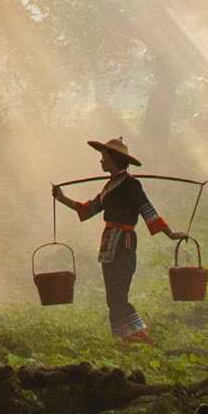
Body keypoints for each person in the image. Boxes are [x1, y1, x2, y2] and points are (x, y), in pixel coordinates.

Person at [52, 135, 172, 343]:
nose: (100, 160)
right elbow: (88, 209)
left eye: (104, 156)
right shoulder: (109, 187)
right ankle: (123, 339)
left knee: (119, 295)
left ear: (115, 159)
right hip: (109, 246)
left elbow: (148, 212)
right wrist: (62, 198)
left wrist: (171, 234)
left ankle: (140, 334)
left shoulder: (131, 185)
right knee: (112, 297)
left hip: (124, 244)